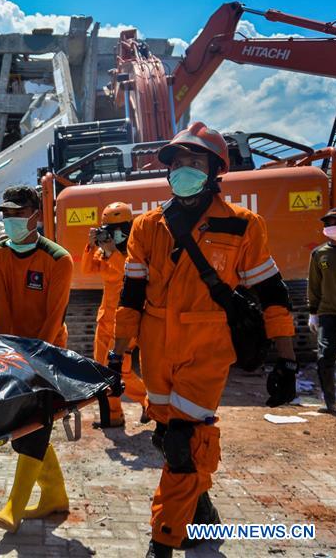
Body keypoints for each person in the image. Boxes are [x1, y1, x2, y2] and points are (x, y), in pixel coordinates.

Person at [112, 122, 297, 557]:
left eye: (194, 162)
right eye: (177, 163)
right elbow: (130, 296)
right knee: (166, 438)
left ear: (215, 171)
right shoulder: (146, 227)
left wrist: (287, 361)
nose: (183, 170)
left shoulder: (243, 227)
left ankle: (163, 540)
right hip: (156, 351)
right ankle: (203, 516)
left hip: (206, 349)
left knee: (182, 442)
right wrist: (116, 357)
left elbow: (272, 294)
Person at [0, 185, 72, 533]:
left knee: (34, 426)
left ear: (35, 215)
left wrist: (36, 360)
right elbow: (0, 310)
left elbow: (54, 318)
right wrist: (5, 356)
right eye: (6, 215)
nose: (11, 221)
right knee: (22, 428)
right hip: (11, 352)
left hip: (48, 355)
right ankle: (55, 496)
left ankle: (14, 505)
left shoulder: (57, 259)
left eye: (18, 214)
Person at [81, 202, 149, 428]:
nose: (112, 234)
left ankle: (148, 401)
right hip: (105, 319)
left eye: (117, 228)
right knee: (103, 370)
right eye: (108, 229)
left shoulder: (135, 251)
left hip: (126, 321)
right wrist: (91, 247)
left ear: (128, 228)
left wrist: (112, 252)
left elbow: (127, 272)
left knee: (123, 371)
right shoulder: (104, 253)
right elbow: (87, 270)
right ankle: (113, 416)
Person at [308, 206, 336, 413]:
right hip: (328, 312)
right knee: (324, 357)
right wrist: (313, 312)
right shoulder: (319, 254)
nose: (332, 227)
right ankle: (330, 402)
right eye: (328, 224)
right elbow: (314, 284)